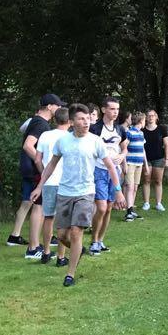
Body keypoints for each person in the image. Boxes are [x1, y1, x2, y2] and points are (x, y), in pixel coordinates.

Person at [31, 104, 125, 287]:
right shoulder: (63, 141)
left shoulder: (95, 141)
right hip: (64, 192)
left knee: (76, 232)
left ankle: (70, 274)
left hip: (85, 192)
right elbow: (50, 165)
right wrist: (39, 186)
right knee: (61, 235)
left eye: (88, 118)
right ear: (72, 122)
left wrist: (118, 190)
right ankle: (78, 250)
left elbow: (111, 166)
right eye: (81, 119)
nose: (86, 122)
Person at [9, 94, 63, 249]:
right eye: (57, 106)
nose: (59, 109)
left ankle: (30, 240)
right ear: (50, 106)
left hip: (30, 168)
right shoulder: (40, 124)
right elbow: (28, 145)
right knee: (39, 205)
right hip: (34, 169)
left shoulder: (36, 121)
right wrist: (42, 164)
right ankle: (34, 246)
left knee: (32, 203)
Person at [89, 97, 128, 255]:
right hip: (99, 170)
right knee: (101, 207)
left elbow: (125, 147)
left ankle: (100, 240)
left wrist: (122, 156)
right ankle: (93, 241)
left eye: (117, 109)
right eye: (112, 109)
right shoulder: (95, 129)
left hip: (115, 172)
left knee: (109, 208)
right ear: (104, 110)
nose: (115, 112)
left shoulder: (120, 130)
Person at [35, 107, 70, 265]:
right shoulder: (70, 137)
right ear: (69, 121)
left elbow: (37, 159)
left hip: (48, 182)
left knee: (48, 218)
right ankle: (61, 257)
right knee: (64, 221)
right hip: (65, 183)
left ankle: (46, 252)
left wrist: (44, 174)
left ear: (55, 120)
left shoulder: (45, 135)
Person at [141, 109, 168, 212]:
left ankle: (158, 203)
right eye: (149, 116)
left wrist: (167, 159)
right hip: (146, 159)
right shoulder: (142, 130)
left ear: (156, 117)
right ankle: (146, 203)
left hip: (159, 158)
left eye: (153, 115)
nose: (151, 117)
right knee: (146, 180)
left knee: (158, 181)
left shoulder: (162, 129)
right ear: (146, 118)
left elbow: (166, 145)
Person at [123, 111, 147, 221]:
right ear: (141, 121)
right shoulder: (129, 132)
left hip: (139, 163)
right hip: (130, 163)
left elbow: (143, 149)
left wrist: (146, 164)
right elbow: (124, 147)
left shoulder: (141, 133)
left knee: (135, 187)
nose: (145, 122)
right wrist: (124, 162)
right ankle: (128, 211)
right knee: (130, 186)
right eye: (144, 120)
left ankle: (131, 210)